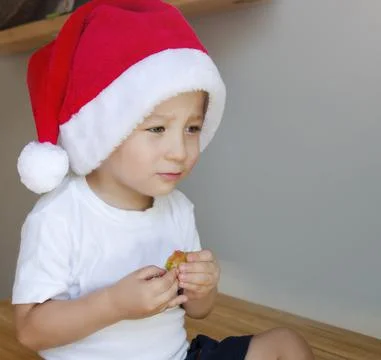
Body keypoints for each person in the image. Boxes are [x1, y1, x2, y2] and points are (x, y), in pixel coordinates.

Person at [12, 1, 315, 359]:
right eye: (157, 128)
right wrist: (113, 304)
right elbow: (30, 331)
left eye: (192, 128)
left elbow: (197, 311)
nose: (180, 150)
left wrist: (203, 289)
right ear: (103, 131)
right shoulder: (59, 217)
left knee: (286, 345)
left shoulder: (178, 210)